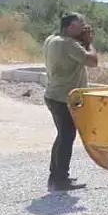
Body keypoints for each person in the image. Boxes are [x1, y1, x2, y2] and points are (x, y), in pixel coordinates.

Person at [43, 12, 98, 191]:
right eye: (80, 25)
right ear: (70, 27)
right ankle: (60, 180)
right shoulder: (68, 44)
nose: (83, 28)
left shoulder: (52, 39)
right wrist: (89, 42)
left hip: (54, 95)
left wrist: (81, 41)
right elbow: (92, 61)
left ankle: (56, 177)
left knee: (62, 137)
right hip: (64, 98)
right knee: (66, 138)